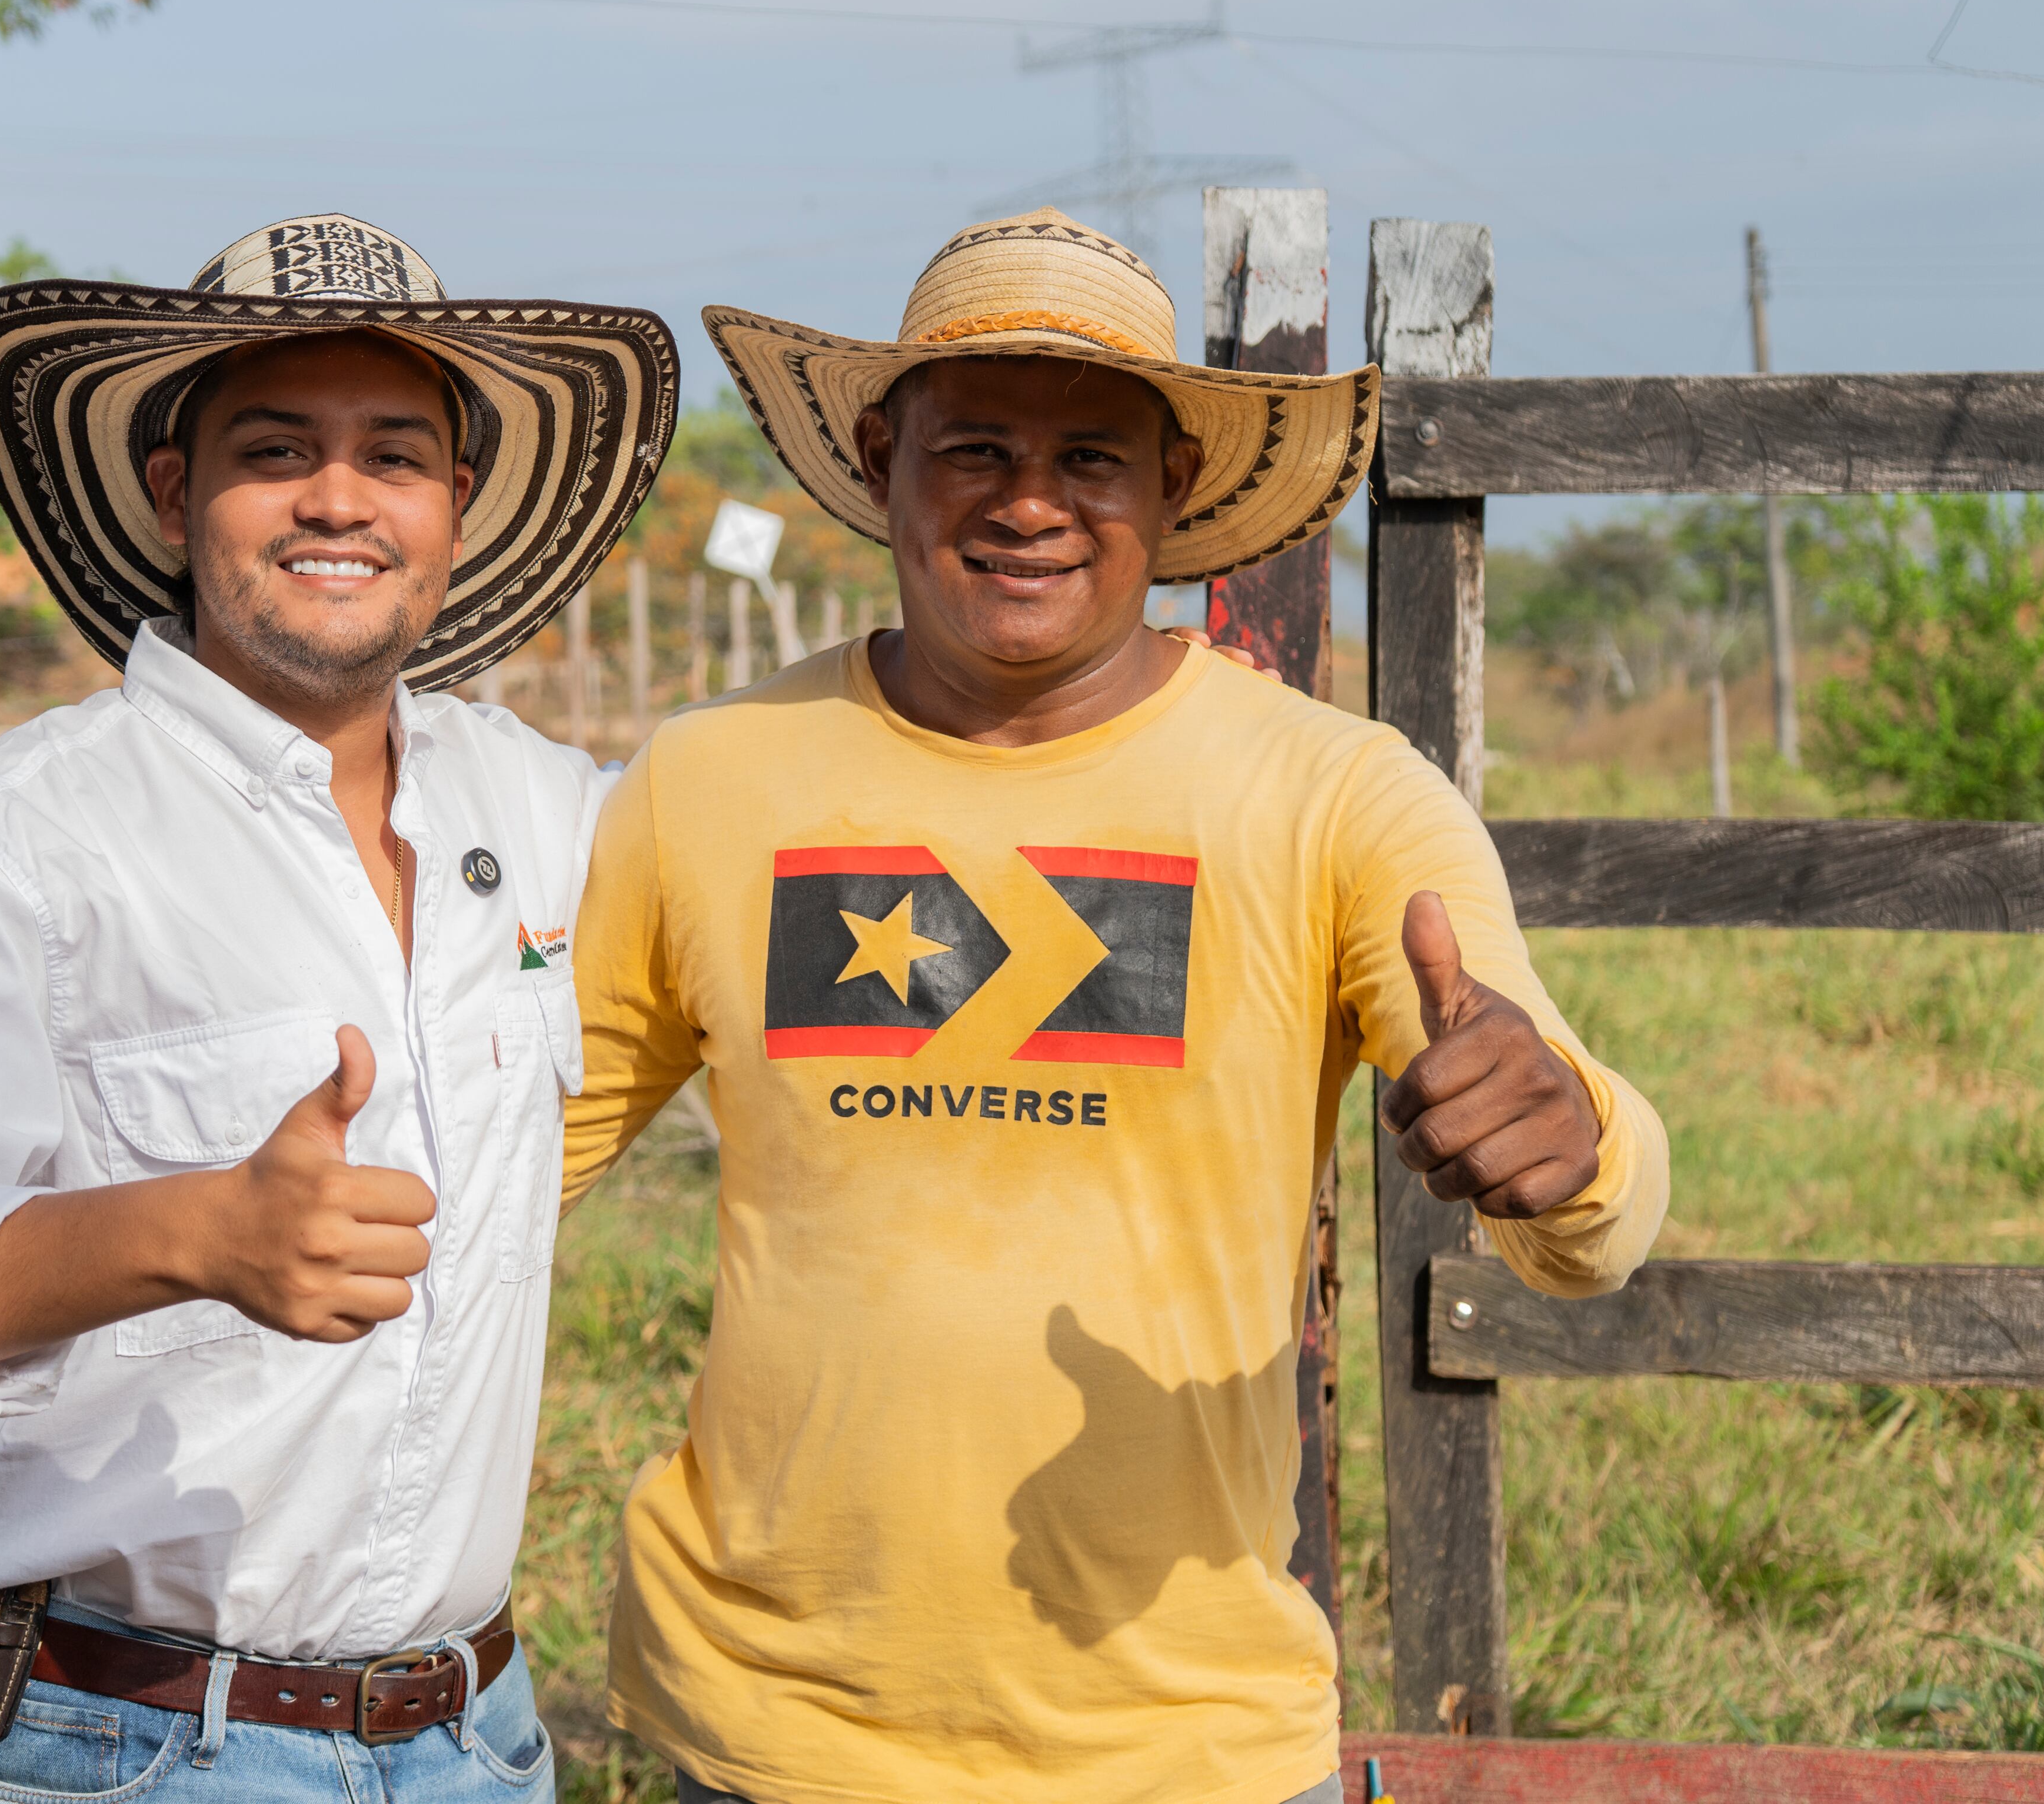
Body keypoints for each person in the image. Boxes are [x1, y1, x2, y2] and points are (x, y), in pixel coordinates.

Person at [561, 209, 1670, 1804]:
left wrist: (1577, 1149)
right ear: (882, 459)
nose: (1030, 504)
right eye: (974, 450)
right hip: (764, 1734)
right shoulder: (708, 777)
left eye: (1093, 457)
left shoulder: (1337, 796)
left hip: (1184, 1746)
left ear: (1177, 490)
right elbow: (505, 1163)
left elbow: (1590, 1227)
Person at [0, 214, 676, 1803]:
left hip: (479, 1737)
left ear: (455, 509)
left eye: (397, 453)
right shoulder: (21, 843)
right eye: (277, 447)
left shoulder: (543, 806)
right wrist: (199, 1234)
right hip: (135, 1739)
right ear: (177, 494)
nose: (339, 498)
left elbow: (798, 858)